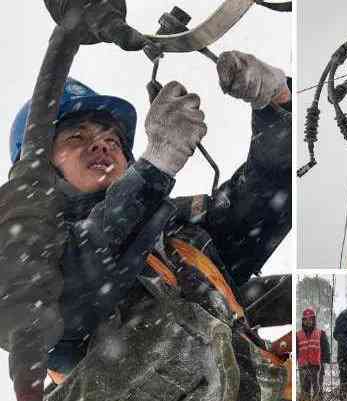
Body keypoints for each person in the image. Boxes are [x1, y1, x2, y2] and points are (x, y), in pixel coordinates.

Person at [0, 50, 292, 401]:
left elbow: (266, 198)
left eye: (112, 138)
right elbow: (81, 275)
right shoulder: (27, 257)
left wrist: (276, 103)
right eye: (75, 137)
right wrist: (154, 169)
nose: (101, 144)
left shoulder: (180, 236)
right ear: (42, 174)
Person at [297, 308, 331, 401]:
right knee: (304, 392)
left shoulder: (321, 333)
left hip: (317, 367)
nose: (308, 321)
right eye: (306, 319)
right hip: (303, 368)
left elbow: (326, 349)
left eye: (310, 319)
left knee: (318, 391)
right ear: (303, 321)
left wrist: (326, 362)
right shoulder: (297, 335)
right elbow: (295, 351)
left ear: (314, 320)